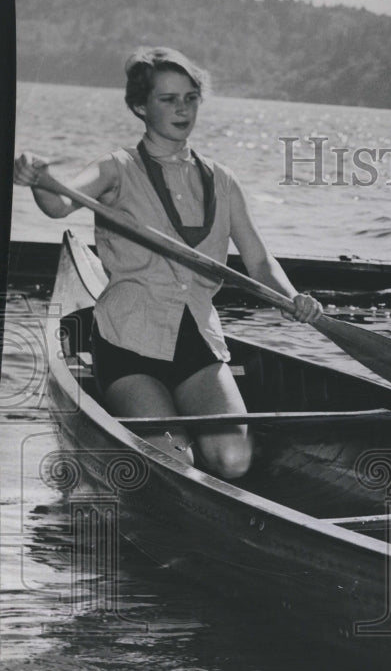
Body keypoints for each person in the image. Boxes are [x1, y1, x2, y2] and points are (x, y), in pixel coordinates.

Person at [14, 46, 323, 479]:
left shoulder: (223, 179)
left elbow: (259, 259)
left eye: (190, 97)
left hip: (196, 341)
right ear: (141, 106)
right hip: (126, 343)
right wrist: (36, 178)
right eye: (168, 99)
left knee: (234, 460)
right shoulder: (116, 169)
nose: (182, 109)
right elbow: (60, 202)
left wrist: (293, 298)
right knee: (174, 460)